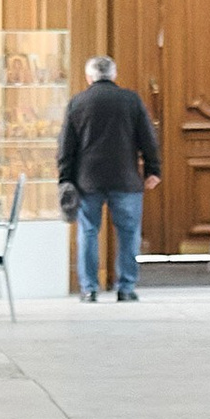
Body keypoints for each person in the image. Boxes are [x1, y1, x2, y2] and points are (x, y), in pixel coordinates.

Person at [58, 55, 160, 302]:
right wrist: (153, 170)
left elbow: (66, 147)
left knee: (88, 232)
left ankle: (89, 288)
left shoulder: (78, 102)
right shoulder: (131, 101)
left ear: (89, 76)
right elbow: (148, 138)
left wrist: (65, 178)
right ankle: (125, 288)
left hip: (87, 180)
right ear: (113, 75)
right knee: (128, 233)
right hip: (125, 179)